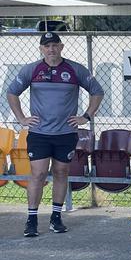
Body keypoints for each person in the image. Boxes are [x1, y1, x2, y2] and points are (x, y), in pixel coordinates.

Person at [7, 32, 104, 237]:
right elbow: (12, 92)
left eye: (54, 45)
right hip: (39, 133)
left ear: (61, 47)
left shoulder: (75, 69)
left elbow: (97, 91)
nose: (51, 49)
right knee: (39, 174)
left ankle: (56, 217)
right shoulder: (32, 69)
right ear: (41, 49)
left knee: (61, 172)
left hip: (66, 133)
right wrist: (22, 118)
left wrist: (86, 116)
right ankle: (31, 220)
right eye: (46, 46)